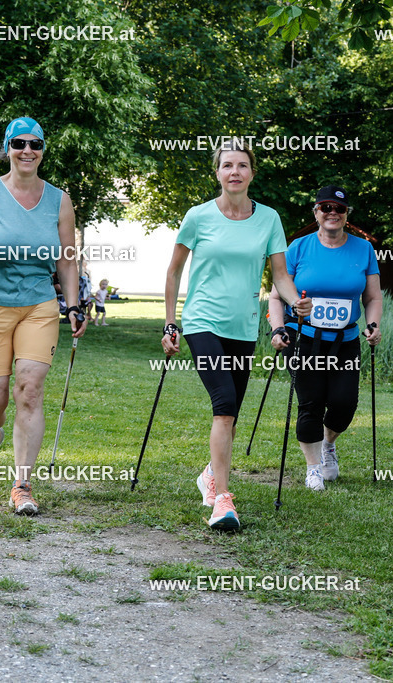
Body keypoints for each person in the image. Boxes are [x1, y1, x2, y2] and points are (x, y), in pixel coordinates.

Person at [162, 138, 310, 531]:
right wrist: (170, 321)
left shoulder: (269, 220)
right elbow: (174, 271)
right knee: (224, 403)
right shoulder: (198, 216)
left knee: (232, 412)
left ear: (252, 173)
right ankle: (223, 501)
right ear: (217, 172)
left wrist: (296, 303)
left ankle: (211, 473)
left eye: (242, 165)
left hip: (243, 327)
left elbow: (280, 276)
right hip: (202, 321)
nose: (234, 172)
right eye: (227, 165)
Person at [0, 116, 86, 516]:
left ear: (43, 150)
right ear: (7, 148)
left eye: (36, 144)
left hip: (38, 306)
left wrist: (74, 303)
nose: (28, 150)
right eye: (19, 143)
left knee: (30, 389)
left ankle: (22, 484)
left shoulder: (59, 199)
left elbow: (66, 259)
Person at [268, 186, 382, 491]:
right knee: (310, 403)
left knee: (344, 404)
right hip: (305, 339)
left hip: (346, 341)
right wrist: (278, 329)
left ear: (347, 215)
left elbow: (373, 297)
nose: (332, 213)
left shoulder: (364, 250)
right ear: (316, 212)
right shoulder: (298, 248)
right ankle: (313, 467)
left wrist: (373, 324)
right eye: (325, 207)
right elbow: (276, 296)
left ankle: (329, 444)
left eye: (339, 209)